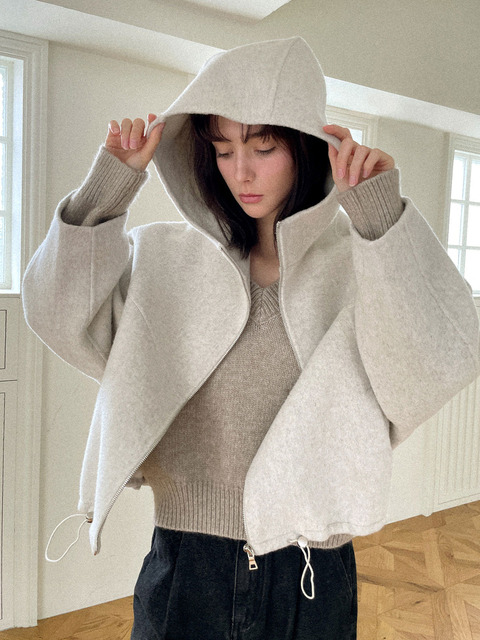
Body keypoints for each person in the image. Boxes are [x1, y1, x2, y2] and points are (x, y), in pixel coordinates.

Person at [22, 37, 479, 640]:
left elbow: (433, 365)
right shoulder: (166, 259)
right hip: (186, 563)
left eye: (263, 147)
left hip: (310, 571)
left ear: (306, 148)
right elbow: (56, 315)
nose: (241, 171)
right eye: (223, 149)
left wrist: (379, 216)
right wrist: (107, 189)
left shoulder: (356, 264)